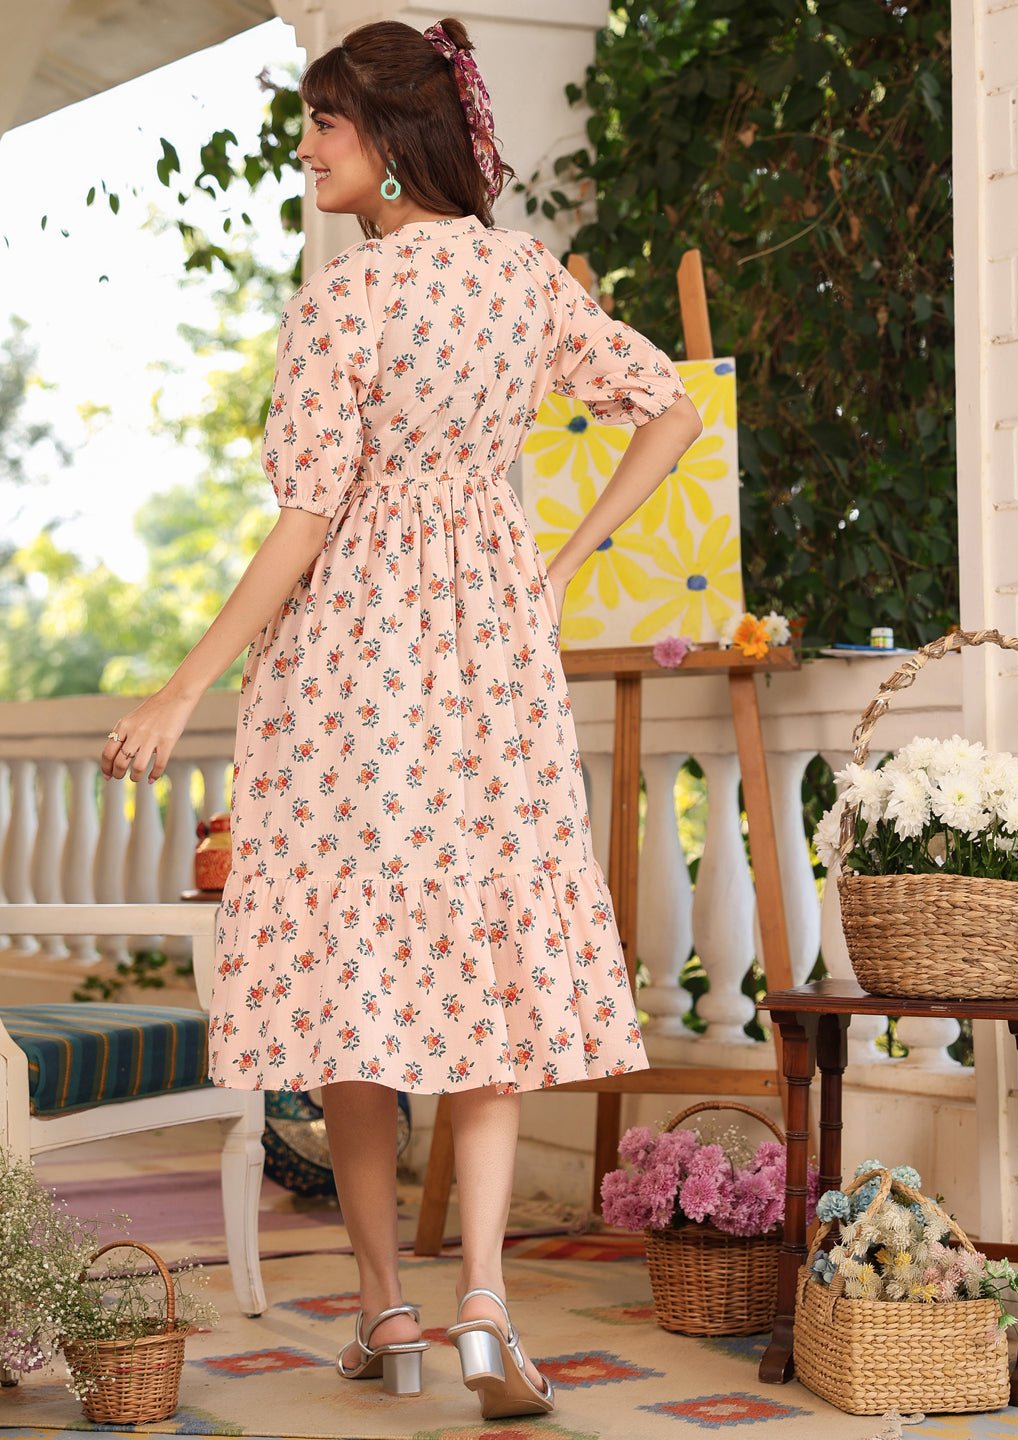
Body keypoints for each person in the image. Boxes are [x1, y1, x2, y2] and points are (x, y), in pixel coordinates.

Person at [100, 15, 702, 1421]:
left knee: (354, 980)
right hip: (492, 652)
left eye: (325, 123)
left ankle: (387, 1313)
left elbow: (308, 518)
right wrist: (558, 564)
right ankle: (484, 1304)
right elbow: (667, 408)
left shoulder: (344, 300)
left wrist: (187, 683)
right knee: (489, 962)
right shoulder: (522, 276)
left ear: (389, 134)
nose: (307, 149)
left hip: (352, 670)